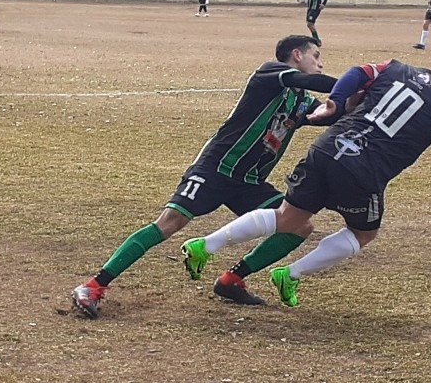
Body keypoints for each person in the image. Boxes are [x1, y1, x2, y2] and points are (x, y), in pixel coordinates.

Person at [181, 36, 431, 308]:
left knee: (288, 218)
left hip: (327, 147)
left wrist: (334, 103)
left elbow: (357, 71)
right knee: (364, 232)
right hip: (361, 171)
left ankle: (205, 245)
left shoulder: (395, 68)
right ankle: (290, 275)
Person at [71, 35, 338, 318]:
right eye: (316, 57)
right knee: (171, 222)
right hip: (216, 168)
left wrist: (364, 101)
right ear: (297, 55)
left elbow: (329, 114)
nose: (320, 64)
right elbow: (313, 82)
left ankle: (232, 280)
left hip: (249, 182)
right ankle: (93, 286)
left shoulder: (301, 101)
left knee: (299, 226)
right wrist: (354, 83)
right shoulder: (269, 74)